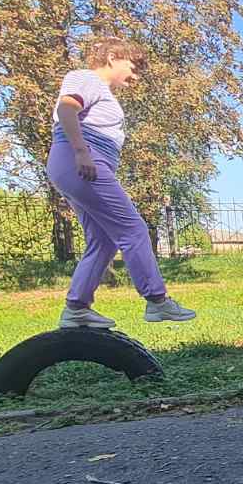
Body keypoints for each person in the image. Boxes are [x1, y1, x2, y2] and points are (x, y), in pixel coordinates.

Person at [46, 36, 195, 328]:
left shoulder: (99, 89)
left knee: (103, 239)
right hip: (80, 160)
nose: (136, 77)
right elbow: (66, 109)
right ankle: (157, 301)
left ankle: (76, 308)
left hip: (77, 163)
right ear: (113, 57)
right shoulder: (87, 79)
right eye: (133, 67)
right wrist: (81, 152)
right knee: (133, 229)